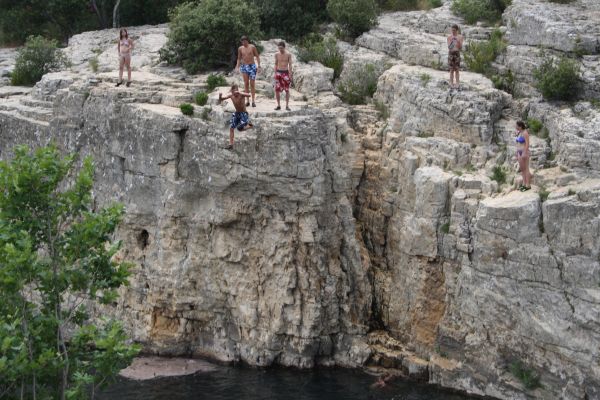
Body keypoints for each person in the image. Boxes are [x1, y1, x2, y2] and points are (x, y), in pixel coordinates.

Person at [218, 84, 254, 150]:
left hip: (243, 113)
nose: (235, 94)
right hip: (237, 113)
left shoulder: (241, 94)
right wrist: (220, 96)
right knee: (231, 128)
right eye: (233, 92)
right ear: (232, 92)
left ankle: (250, 125)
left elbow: (249, 95)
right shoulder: (231, 96)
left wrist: (240, 92)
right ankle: (231, 145)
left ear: (237, 91)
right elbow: (221, 100)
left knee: (239, 128)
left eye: (235, 92)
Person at [235, 36, 261, 107]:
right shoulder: (240, 48)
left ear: (247, 41)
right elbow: (239, 58)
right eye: (242, 41)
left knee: (252, 84)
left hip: (252, 66)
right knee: (246, 83)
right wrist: (237, 67)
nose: (243, 43)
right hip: (244, 67)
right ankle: (247, 101)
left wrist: (259, 66)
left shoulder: (252, 47)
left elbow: (257, 56)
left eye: (245, 41)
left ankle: (253, 101)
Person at [274, 41, 293, 111]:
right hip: (278, 72)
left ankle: (287, 105)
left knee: (287, 90)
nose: (280, 50)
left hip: (285, 72)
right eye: (279, 48)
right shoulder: (276, 54)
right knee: (277, 90)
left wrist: (290, 74)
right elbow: (275, 63)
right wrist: (275, 73)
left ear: (284, 47)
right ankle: (278, 105)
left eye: (281, 48)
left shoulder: (288, 54)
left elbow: (290, 65)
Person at [515, 121, 531, 191]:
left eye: (516, 126)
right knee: (522, 169)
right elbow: (518, 143)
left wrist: (524, 152)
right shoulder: (519, 133)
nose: (515, 127)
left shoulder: (525, 133)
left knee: (526, 168)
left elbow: (527, 144)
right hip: (519, 151)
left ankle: (528, 185)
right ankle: (524, 184)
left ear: (520, 126)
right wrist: (517, 152)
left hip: (524, 152)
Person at [447, 24, 463, 91]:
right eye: (452, 30)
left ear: (457, 30)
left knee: (457, 69)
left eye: (454, 30)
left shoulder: (460, 37)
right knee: (451, 69)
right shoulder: (449, 37)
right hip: (451, 53)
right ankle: (451, 82)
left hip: (457, 53)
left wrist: (458, 41)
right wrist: (452, 41)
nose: (453, 32)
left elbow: (460, 47)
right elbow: (449, 47)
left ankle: (457, 83)